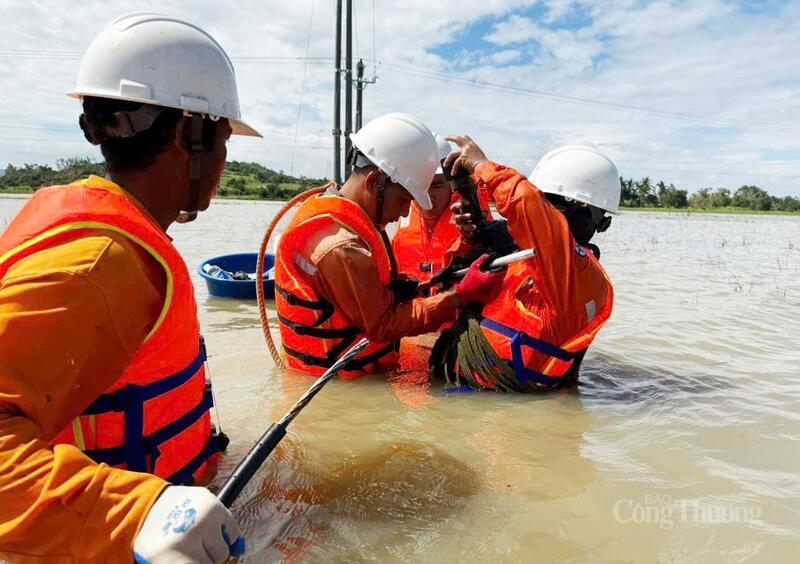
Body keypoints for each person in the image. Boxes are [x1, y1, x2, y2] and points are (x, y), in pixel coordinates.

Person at [0, 14, 257, 562]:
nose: (226, 162)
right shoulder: (97, 264)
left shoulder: (121, 240)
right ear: (193, 135)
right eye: (225, 139)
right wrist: (133, 513)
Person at [274, 114, 505, 378]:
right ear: (374, 182)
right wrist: (459, 296)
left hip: (342, 377)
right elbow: (383, 325)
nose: (406, 211)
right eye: (403, 199)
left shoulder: (344, 219)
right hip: (345, 389)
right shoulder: (342, 248)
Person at [433, 137, 620, 391]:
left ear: (576, 211)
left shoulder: (575, 274)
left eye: (546, 201)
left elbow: (529, 208)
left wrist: (482, 165)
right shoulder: (533, 257)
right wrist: (472, 235)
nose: (540, 207)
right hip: (463, 397)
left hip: (491, 414)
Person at [391, 134, 492, 285]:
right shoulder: (401, 209)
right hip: (413, 305)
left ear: (451, 183)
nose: (427, 195)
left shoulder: (471, 212)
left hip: (455, 303)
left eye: (436, 186)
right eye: (420, 186)